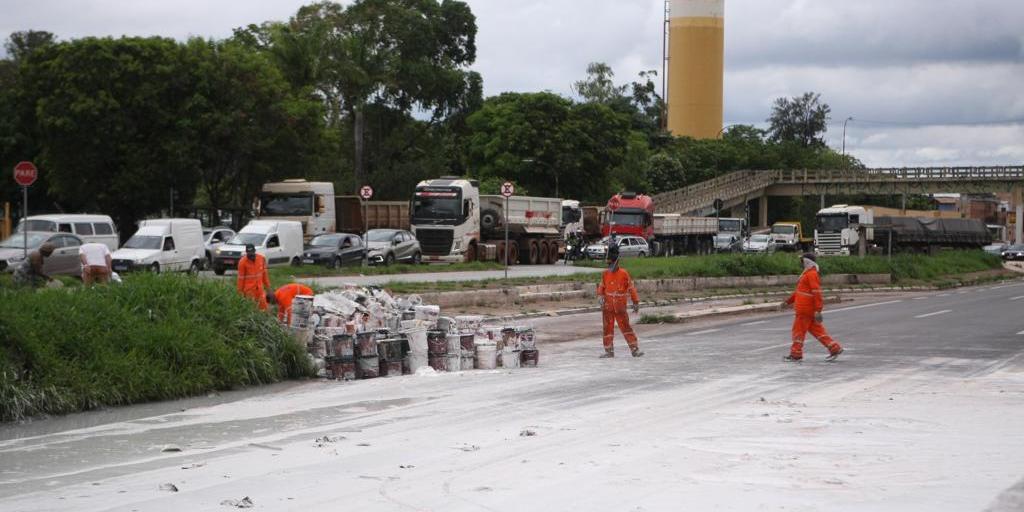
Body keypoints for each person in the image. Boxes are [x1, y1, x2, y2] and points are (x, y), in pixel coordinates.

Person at [780, 252, 844, 362]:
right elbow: (799, 292)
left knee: (798, 331)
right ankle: (834, 348)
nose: (800, 263)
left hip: (805, 309)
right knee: (818, 331)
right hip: (806, 309)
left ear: (806, 261)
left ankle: (796, 354)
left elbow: (817, 292)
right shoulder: (807, 274)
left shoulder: (811, 274)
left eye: (802, 260)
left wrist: (818, 310)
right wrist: (787, 302)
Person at [596, 243, 644, 358]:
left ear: (616, 261)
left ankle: (634, 349)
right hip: (608, 307)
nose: (610, 265)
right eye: (608, 263)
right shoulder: (605, 274)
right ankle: (609, 351)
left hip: (620, 306)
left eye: (611, 263)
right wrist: (600, 296)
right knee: (607, 328)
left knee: (626, 327)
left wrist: (635, 301)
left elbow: (631, 288)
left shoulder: (624, 274)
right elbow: (602, 287)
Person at [237, 244, 270, 311]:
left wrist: (268, 287)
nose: (250, 255)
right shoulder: (242, 262)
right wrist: (240, 293)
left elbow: (264, 275)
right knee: (251, 309)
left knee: (264, 309)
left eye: (252, 252)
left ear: (255, 251)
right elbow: (240, 279)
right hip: (249, 291)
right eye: (248, 253)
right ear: (246, 252)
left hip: (260, 290)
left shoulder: (261, 259)